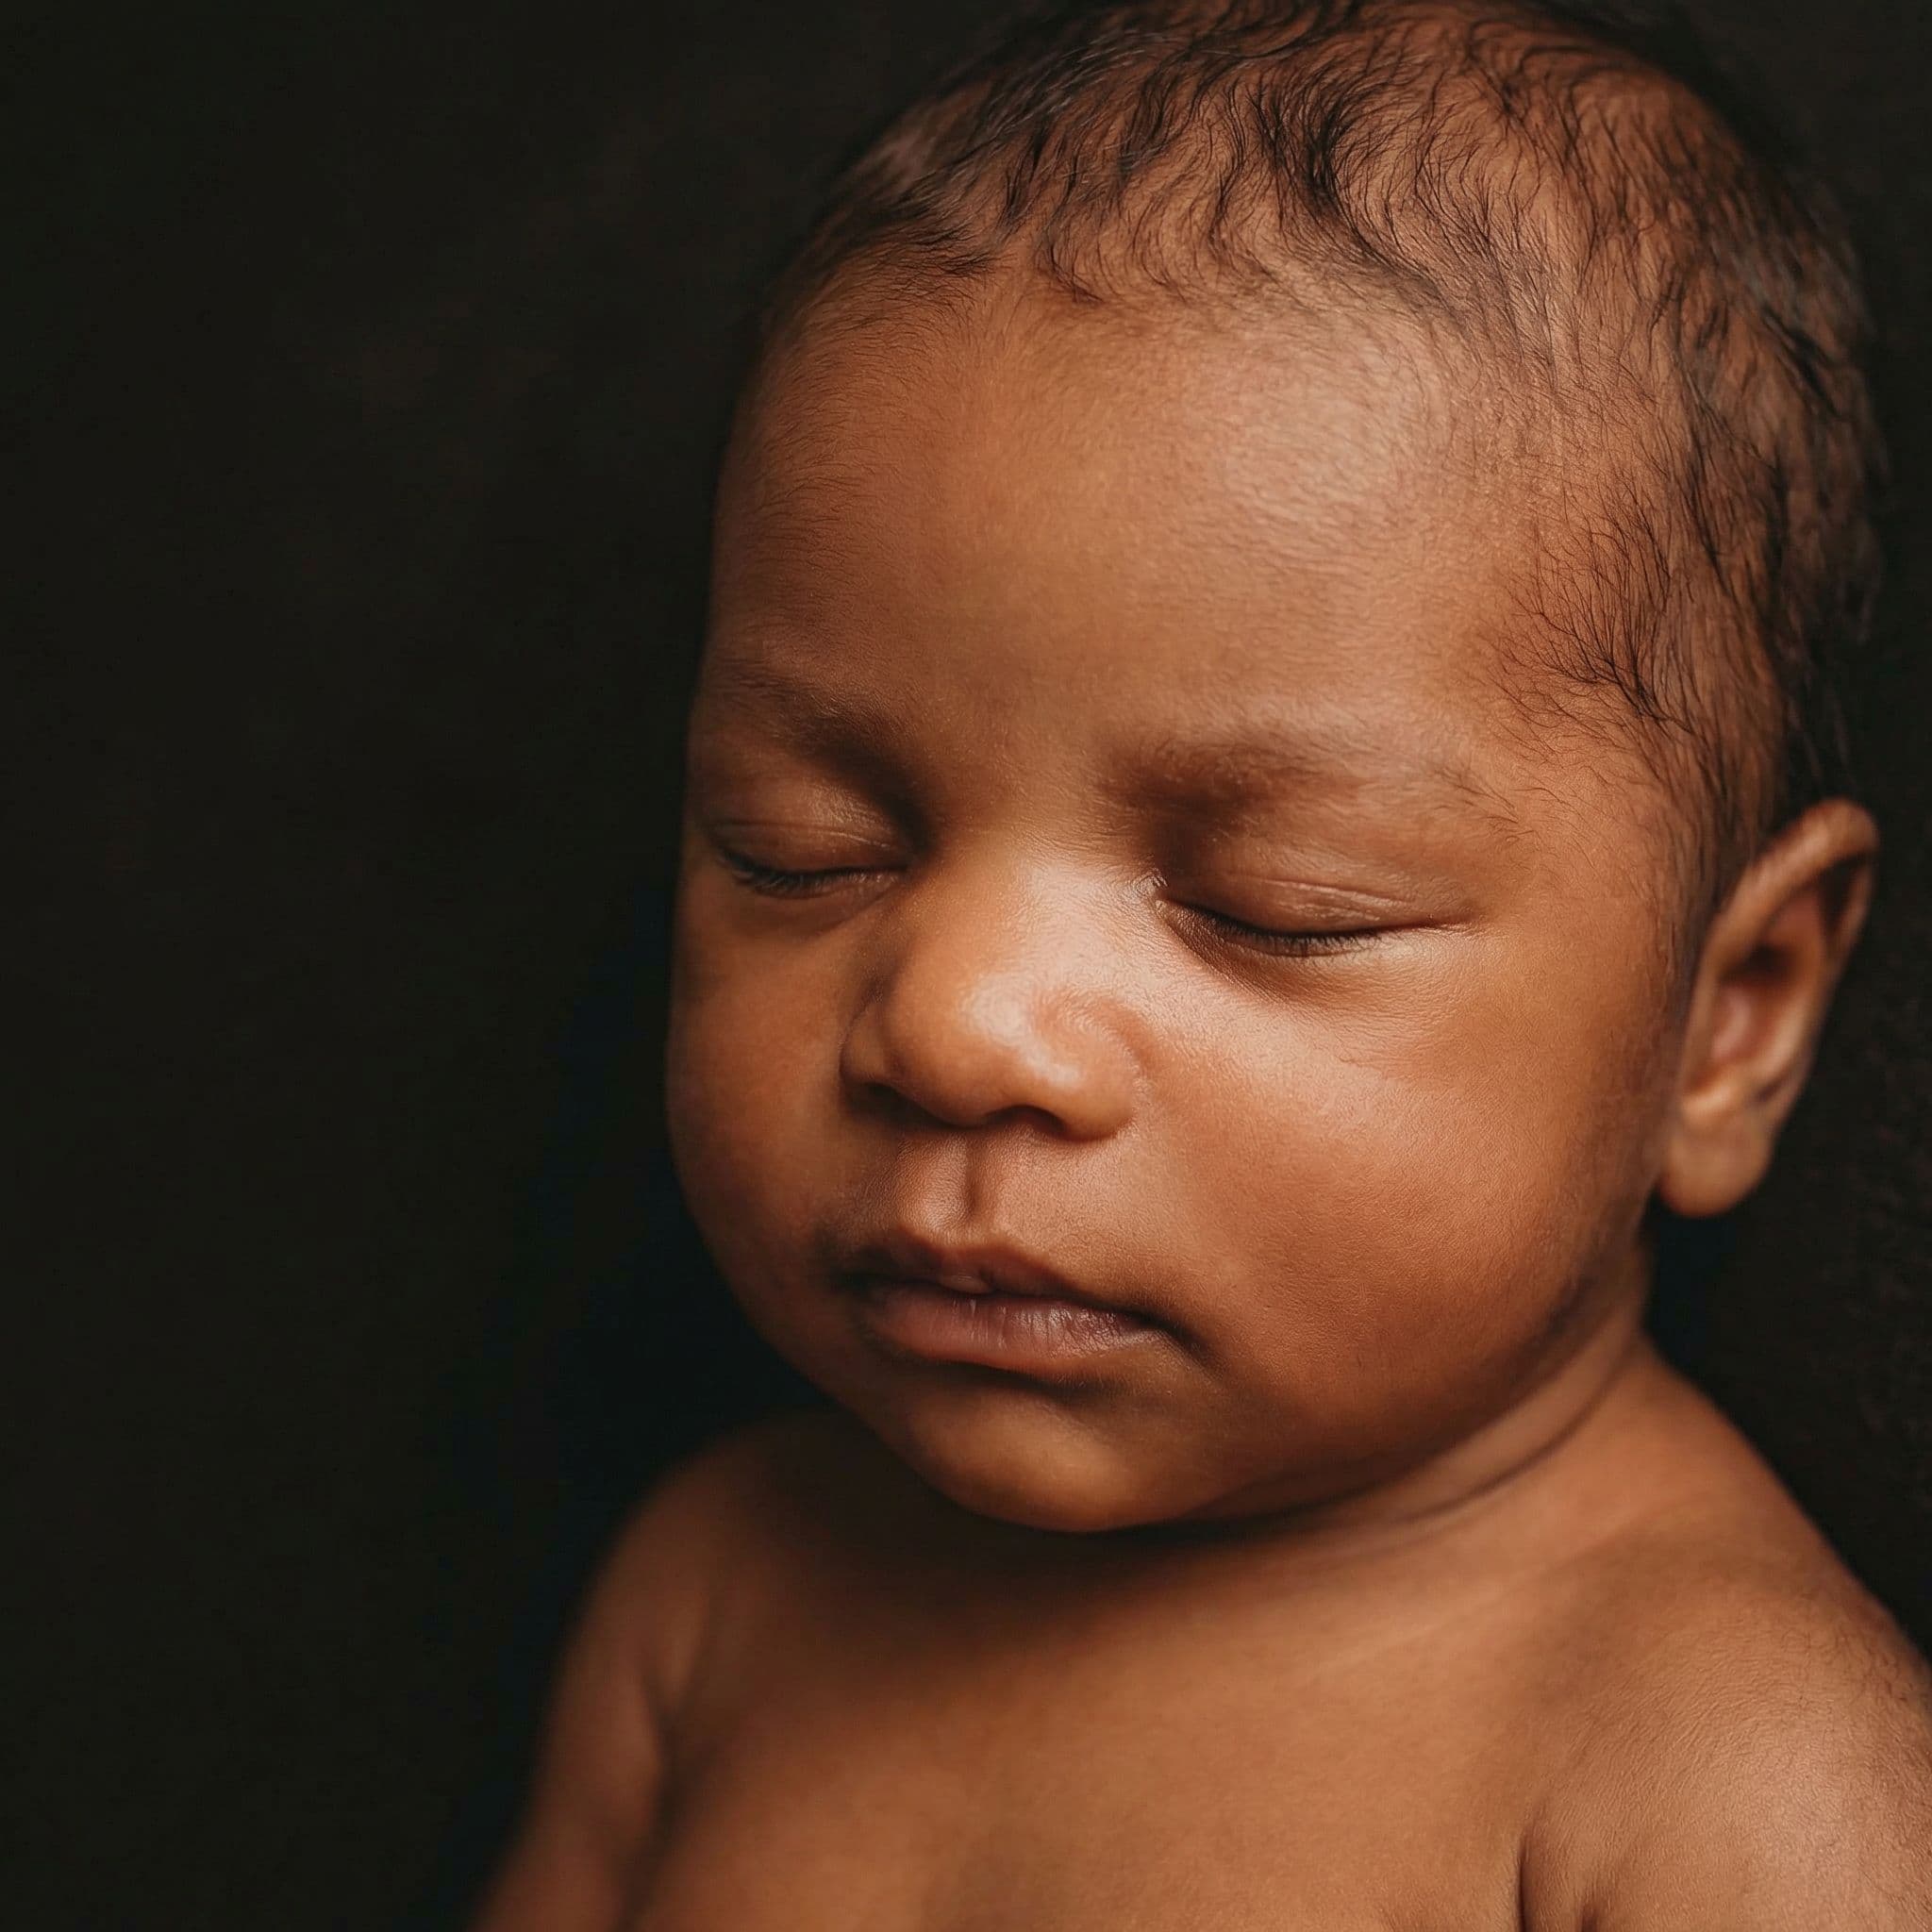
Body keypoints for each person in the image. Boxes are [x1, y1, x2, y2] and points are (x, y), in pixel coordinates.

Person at [471, 2, 1932, 1924]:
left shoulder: (1730, 1782)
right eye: (798, 847)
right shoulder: (719, 1594)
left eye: (1274, 905)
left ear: (1725, 1021)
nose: (952, 1024)